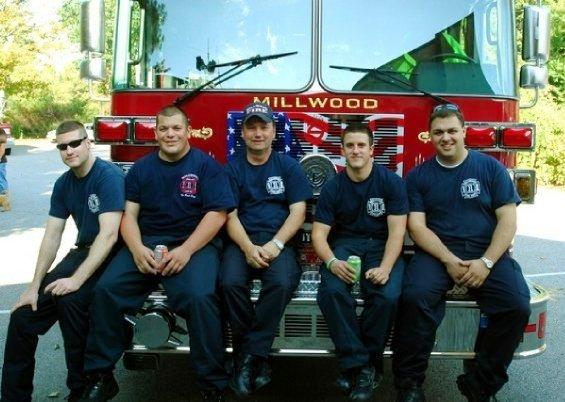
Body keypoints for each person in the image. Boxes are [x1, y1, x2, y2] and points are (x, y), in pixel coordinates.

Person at [79, 105, 235, 402]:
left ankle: (212, 384)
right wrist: (137, 249)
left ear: (188, 130)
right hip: (147, 243)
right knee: (105, 291)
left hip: (193, 245)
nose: (170, 134)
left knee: (201, 299)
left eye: (176, 128)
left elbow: (217, 215)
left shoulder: (206, 166)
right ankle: (100, 374)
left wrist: (187, 250)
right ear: (156, 132)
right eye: (163, 129)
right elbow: (129, 215)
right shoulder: (141, 168)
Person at [392, 104, 531, 402]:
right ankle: (410, 384)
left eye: (452, 131)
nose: (446, 138)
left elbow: (508, 220)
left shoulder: (490, 168)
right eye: (439, 132)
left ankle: (480, 382)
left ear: (464, 131)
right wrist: (448, 260)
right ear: (429, 136)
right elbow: (417, 227)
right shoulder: (418, 177)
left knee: (517, 305)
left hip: (486, 253)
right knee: (415, 298)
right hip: (436, 255)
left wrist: (487, 262)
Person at [1, 121, 125, 402]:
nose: (69, 151)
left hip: (112, 254)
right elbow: (52, 236)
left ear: (88, 142)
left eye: (75, 143)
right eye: (62, 146)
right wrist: (34, 286)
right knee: (22, 317)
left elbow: (108, 236)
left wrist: (76, 280)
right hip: (82, 252)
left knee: (71, 300)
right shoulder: (63, 183)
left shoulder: (108, 177)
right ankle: (13, 396)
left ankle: (84, 387)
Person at [220, 101, 313, 397]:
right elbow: (229, 215)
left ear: (274, 131)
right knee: (229, 282)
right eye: (252, 127)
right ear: (243, 133)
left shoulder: (288, 166)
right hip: (242, 239)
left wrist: (275, 244)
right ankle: (256, 357)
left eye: (264, 127)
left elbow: (298, 212)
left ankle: (248, 357)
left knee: (283, 282)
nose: (258, 133)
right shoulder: (232, 167)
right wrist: (248, 248)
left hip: (277, 239)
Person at [312, 123, 408, 402]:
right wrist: (331, 262)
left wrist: (386, 267)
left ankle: (355, 367)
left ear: (372, 150)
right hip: (346, 245)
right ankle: (363, 365)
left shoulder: (391, 182)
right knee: (330, 292)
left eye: (361, 145)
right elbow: (319, 234)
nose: (356, 150)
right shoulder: (333, 187)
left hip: (381, 246)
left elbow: (397, 232)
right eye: (350, 146)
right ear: (342, 151)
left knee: (388, 296)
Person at [0, 128, 10, 212]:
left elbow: (2, 148)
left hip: (0, 162)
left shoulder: (1, 133)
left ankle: (6, 204)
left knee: (1, 180)